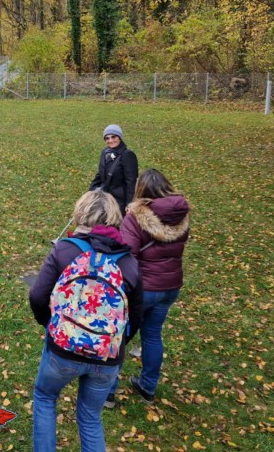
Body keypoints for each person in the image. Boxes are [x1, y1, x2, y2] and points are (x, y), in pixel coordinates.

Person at [29, 190, 142, 452]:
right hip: (107, 357)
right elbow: (136, 316)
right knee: (91, 418)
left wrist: (51, 325)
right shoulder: (128, 263)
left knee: (45, 398)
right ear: (115, 218)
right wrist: (115, 342)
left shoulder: (64, 250)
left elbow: (37, 295)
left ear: (80, 213)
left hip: (62, 349)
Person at [120, 169, 190, 404]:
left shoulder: (135, 217)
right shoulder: (181, 215)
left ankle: (107, 391)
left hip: (144, 289)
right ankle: (148, 386)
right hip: (170, 286)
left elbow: (127, 254)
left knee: (121, 336)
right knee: (152, 335)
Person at [89, 124, 138, 217]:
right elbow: (100, 174)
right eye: (107, 138)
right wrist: (90, 193)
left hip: (120, 201)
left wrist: (130, 204)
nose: (110, 140)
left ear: (120, 137)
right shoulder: (105, 152)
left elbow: (131, 182)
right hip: (105, 198)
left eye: (113, 137)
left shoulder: (127, 155)